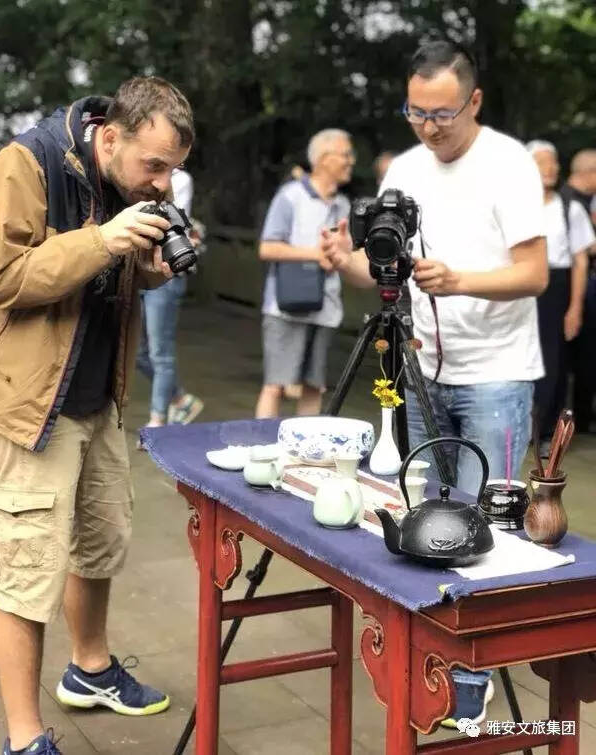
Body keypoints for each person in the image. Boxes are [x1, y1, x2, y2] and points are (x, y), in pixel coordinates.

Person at [321, 40, 548, 728]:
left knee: (487, 530)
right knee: (422, 515)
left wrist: (461, 280)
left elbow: (534, 274)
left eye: (441, 113)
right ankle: (425, 667)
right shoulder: (408, 169)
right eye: (415, 112)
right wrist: (345, 260)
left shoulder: (509, 164)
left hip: (497, 376)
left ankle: (473, 688)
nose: (427, 126)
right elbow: (381, 269)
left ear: (473, 101)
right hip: (422, 365)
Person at [0, 76, 194, 755]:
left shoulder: (128, 183)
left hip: (98, 398)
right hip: (30, 406)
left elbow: (101, 284)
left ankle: (90, 668)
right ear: (111, 136)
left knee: (100, 541)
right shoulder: (29, 162)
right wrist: (104, 241)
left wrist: (147, 269)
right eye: (156, 165)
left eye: (174, 170)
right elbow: (3, 276)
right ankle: (24, 739)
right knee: (27, 570)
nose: (164, 183)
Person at [254, 129, 355, 418]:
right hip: (286, 308)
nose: (351, 162)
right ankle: (262, 452)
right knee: (275, 385)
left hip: (327, 308)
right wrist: (316, 255)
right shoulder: (291, 196)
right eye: (345, 155)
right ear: (323, 159)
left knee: (315, 386)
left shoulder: (344, 205)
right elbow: (267, 248)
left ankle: (305, 454)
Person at [528, 141, 594, 452]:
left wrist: (575, 307)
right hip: (521, 285)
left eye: (553, 161)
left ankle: (545, 433)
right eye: (542, 162)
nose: (550, 168)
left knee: (552, 361)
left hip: (556, 288)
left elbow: (581, 260)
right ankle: (520, 425)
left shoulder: (570, 207)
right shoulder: (514, 203)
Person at [135, 166, 204, 436]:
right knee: (138, 352)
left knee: (159, 352)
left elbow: (168, 217)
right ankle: (180, 399)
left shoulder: (180, 179)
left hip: (167, 271)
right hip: (137, 266)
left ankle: (157, 422)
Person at [560, 149, 596, 433]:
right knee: (581, 354)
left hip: (575, 287)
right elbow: (583, 253)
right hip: (575, 288)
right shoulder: (568, 202)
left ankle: (579, 418)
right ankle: (577, 420)